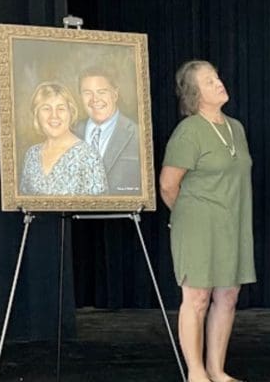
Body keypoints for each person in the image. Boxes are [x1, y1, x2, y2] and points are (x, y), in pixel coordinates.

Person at [160, 60, 256, 382]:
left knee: (227, 297)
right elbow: (168, 185)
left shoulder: (236, 128)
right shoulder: (188, 131)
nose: (218, 83)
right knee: (197, 298)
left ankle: (217, 369)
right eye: (208, 81)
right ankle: (197, 373)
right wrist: (190, 218)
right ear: (194, 93)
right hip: (198, 226)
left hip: (233, 225)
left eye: (217, 76)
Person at [20, 82, 108, 195]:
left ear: (71, 113)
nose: (54, 116)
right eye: (46, 109)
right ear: (37, 115)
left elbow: (98, 209)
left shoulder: (87, 156)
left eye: (61, 109)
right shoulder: (31, 155)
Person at [74, 67, 141, 195]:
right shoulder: (70, 133)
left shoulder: (138, 135)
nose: (95, 99)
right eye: (87, 93)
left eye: (102, 92)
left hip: (121, 214)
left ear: (115, 94)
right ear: (80, 97)